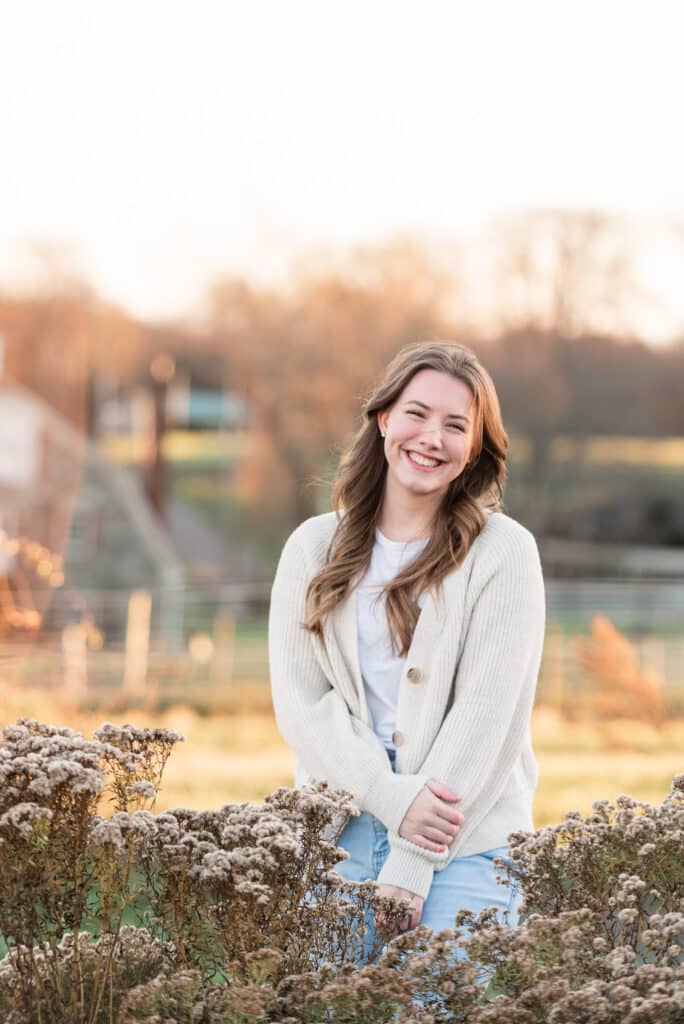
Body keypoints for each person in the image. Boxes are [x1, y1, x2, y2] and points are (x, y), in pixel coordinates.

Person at [268, 341, 546, 961]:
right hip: (335, 833)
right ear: (385, 418)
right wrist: (391, 798)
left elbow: (486, 718)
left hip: (463, 837)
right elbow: (302, 705)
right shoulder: (312, 548)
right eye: (417, 413)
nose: (431, 437)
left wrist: (412, 860)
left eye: (456, 425)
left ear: (476, 447)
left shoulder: (504, 552)